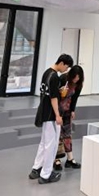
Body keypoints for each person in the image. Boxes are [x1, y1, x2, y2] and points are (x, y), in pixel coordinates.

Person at [29, 54, 74, 184]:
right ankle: (46, 174)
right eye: (66, 67)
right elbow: (53, 98)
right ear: (62, 63)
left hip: (44, 111)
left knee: (44, 143)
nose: (66, 70)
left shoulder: (47, 73)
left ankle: (36, 168)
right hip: (50, 114)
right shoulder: (54, 76)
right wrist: (58, 115)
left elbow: (48, 92)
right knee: (51, 145)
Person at [53, 65, 84, 171]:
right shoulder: (63, 78)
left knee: (67, 133)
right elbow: (53, 95)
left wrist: (72, 110)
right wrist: (60, 92)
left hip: (67, 110)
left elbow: (75, 98)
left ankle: (70, 159)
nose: (76, 79)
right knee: (57, 134)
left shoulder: (79, 84)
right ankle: (56, 159)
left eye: (78, 78)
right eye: (75, 77)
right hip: (58, 110)